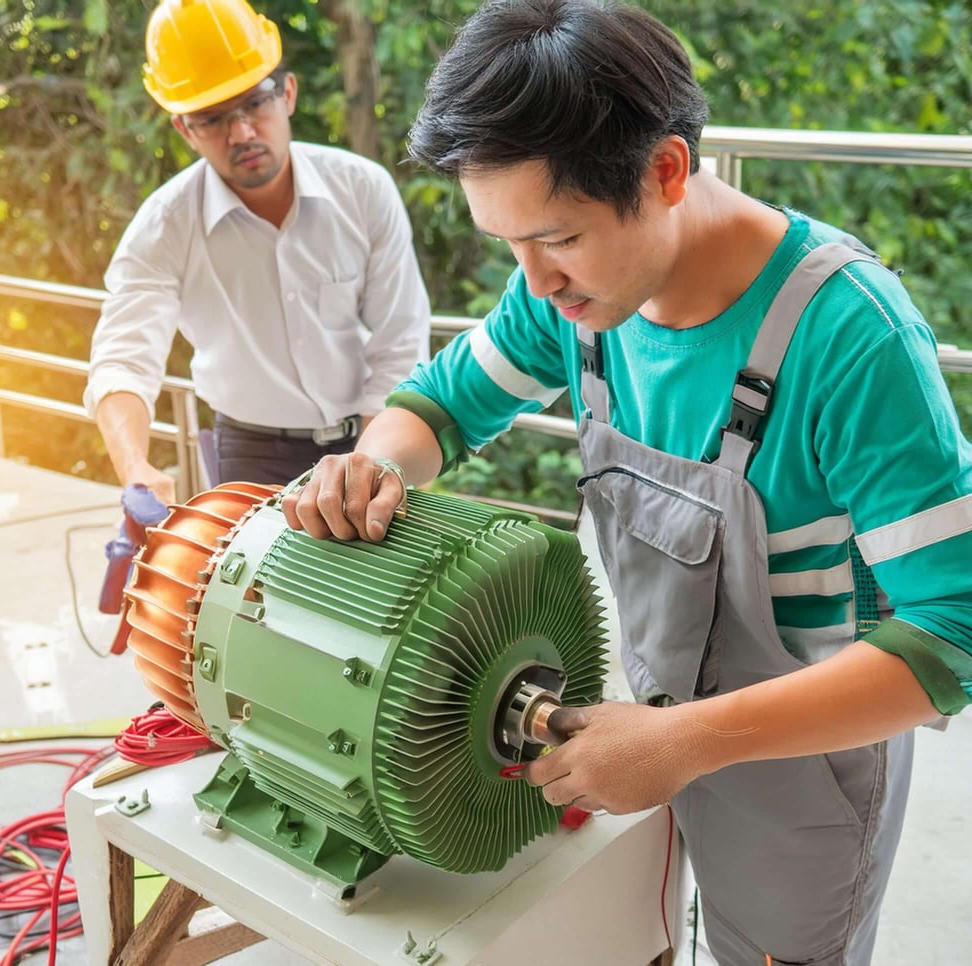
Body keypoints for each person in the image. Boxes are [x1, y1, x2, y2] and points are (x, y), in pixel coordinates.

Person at [282, 1, 972, 963]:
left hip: (797, 765)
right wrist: (372, 467)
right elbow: (439, 406)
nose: (536, 279)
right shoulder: (571, 294)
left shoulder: (851, 337)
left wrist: (689, 742)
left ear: (666, 171)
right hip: (633, 716)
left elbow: (951, 635)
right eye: (509, 244)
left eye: (557, 238)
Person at [84, 0, 430, 506]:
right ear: (185, 130)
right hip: (248, 454)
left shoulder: (362, 190)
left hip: (370, 437)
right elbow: (122, 357)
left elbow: (400, 340)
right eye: (211, 118)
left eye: (254, 103)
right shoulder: (164, 226)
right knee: (248, 588)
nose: (241, 132)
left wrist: (371, 462)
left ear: (286, 94)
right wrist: (135, 466)